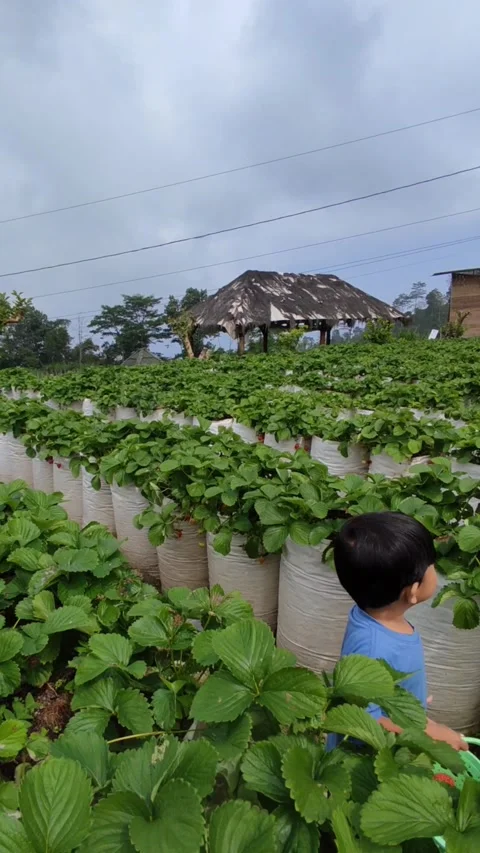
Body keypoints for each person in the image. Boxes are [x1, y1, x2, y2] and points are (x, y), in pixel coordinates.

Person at [327, 511, 467, 751]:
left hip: (399, 727)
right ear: (412, 591)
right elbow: (366, 720)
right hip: (366, 760)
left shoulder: (372, 615)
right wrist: (432, 732)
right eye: (431, 566)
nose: (435, 571)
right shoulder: (373, 645)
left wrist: (415, 707)